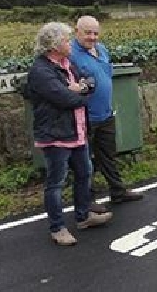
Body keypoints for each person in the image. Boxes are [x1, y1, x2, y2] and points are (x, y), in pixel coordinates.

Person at [25, 22, 112, 246]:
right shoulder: (41, 71)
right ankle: (57, 227)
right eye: (65, 40)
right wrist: (80, 92)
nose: (69, 43)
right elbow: (65, 99)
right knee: (56, 183)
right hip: (56, 136)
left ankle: (83, 216)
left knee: (85, 173)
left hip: (77, 131)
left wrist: (80, 89)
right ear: (54, 45)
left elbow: (89, 81)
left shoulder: (68, 64)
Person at [70, 16, 144, 206]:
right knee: (85, 162)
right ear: (77, 31)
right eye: (88, 33)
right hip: (85, 117)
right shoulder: (70, 54)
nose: (92, 37)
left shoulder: (101, 49)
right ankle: (88, 201)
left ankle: (117, 191)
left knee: (108, 156)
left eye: (95, 33)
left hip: (105, 113)